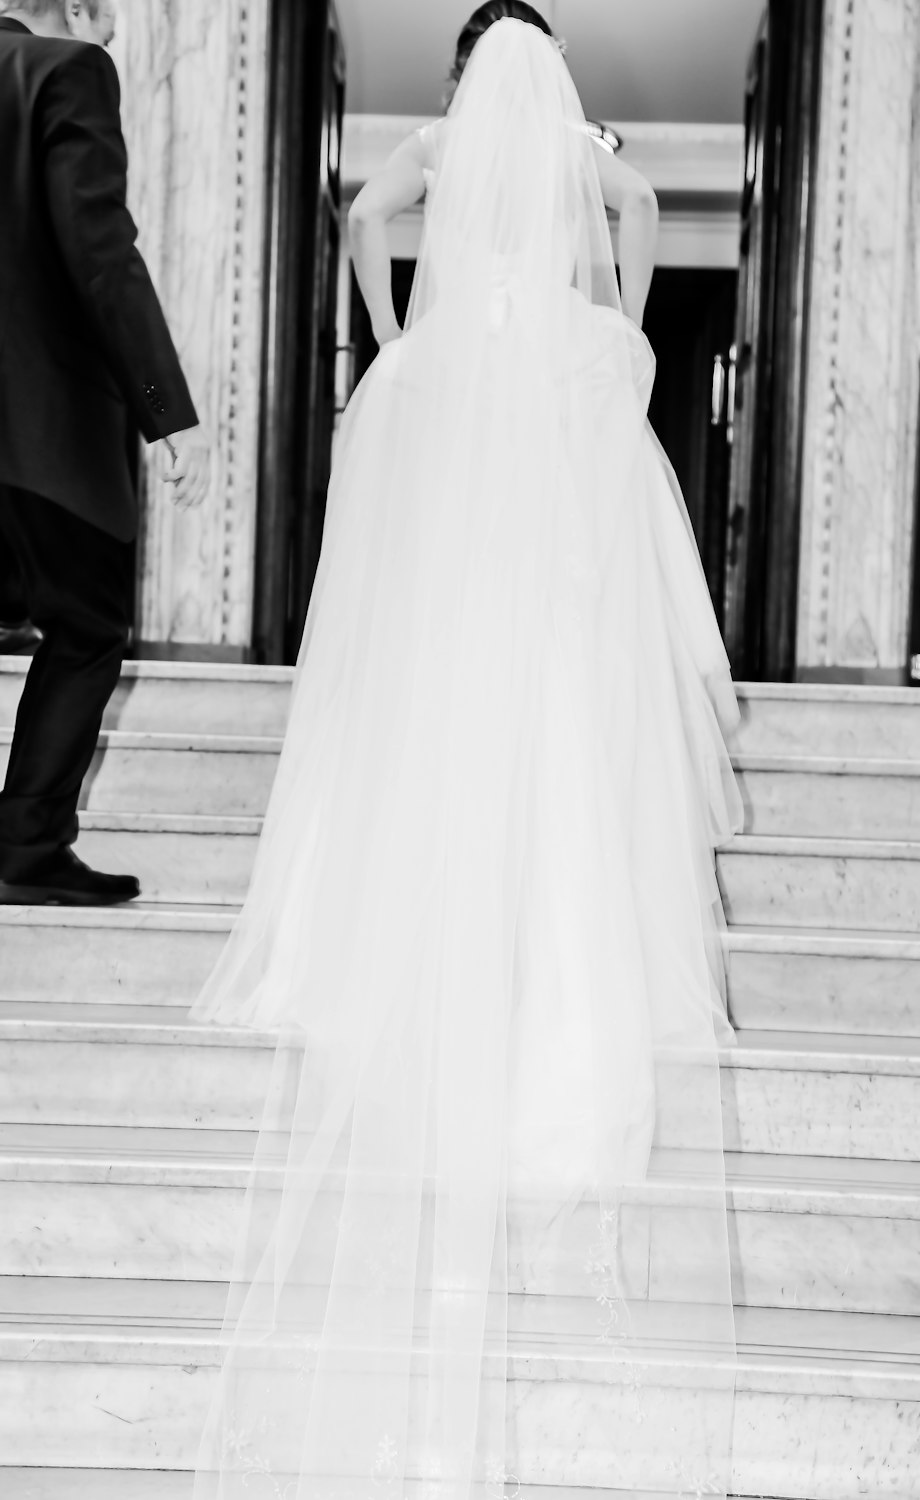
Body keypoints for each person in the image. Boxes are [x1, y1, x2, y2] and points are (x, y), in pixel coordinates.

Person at [194, 7, 743, 1498]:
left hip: (453, 431)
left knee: (430, 722)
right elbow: (636, 207)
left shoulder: (435, 194)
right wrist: (626, 312)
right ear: (551, 74)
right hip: (555, 479)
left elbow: (363, 212)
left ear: (459, 78)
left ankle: (408, 994)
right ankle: (553, 1052)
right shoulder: (580, 219)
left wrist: (390, 326)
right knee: (562, 751)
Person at [0, 0, 207, 906]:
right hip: (39, 431)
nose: (109, 41)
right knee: (86, 628)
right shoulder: (67, 69)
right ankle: (27, 844)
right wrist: (168, 408)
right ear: (77, 9)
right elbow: (100, 252)